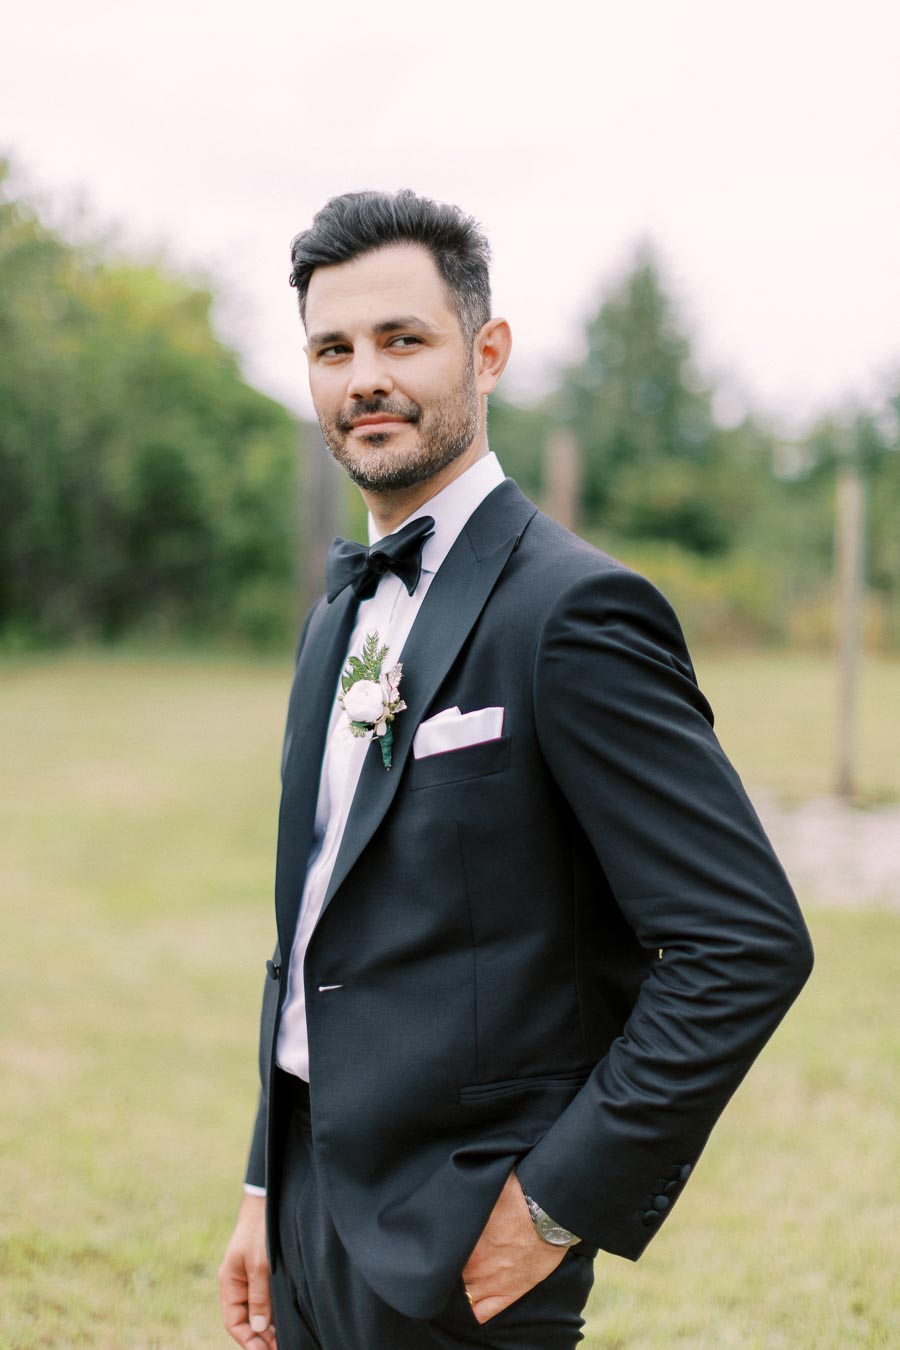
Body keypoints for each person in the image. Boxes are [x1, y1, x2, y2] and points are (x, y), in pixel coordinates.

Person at [218, 190, 813, 1350]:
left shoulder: (574, 611)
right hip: (308, 1205)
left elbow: (744, 944)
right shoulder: (335, 618)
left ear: (486, 353)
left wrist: (555, 1205)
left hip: (464, 1241)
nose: (363, 379)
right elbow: (310, 934)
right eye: (333, 349)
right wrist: (262, 1185)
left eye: (403, 339)